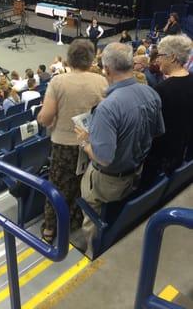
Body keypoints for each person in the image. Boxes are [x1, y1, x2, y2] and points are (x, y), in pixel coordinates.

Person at [74, 42, 165, 258]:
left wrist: (86, 143)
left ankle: (91, 252)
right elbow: (157, 131)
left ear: (107, 70)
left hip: (107, 180)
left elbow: (103, 158)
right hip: (136, 171)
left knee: (92, 212)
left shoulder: (108, 107)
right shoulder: (151, 93)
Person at [38, 39, 108, 243]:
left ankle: (50, 229)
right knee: (82, 184)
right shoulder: (101, 81)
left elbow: (46, 116)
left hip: (63, 145)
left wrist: (42, 120)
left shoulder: (58, 82)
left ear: (69, 58)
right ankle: (75, 221)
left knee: (58, 186)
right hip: (89, 144)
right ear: (91, 58)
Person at [144, 35, 193, 180]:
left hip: (160, 160)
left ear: (172, 57)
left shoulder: (161, 89)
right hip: (182, 155)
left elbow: (152, 131)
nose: (157, 59)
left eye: (160, 55)